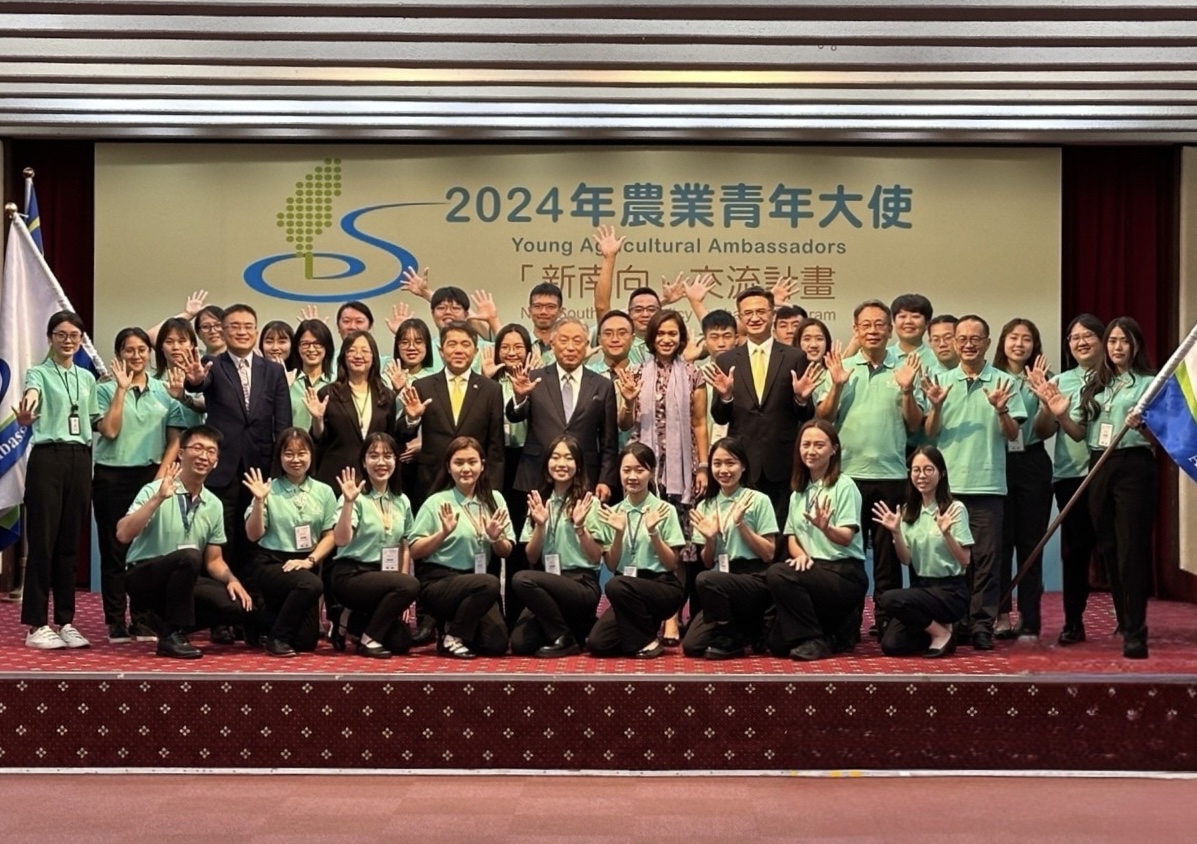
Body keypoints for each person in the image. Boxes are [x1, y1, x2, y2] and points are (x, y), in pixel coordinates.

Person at [1034, 317, 1157, 659]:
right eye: (1114, 341)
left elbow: (1161, 436)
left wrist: (1143, 426)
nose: (1118, 347)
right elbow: (1078, 434)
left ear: (1134, 345)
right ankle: (1088, 622)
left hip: (1134, 467)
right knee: (1104, 546)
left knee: (1130, 548)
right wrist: (1059, 413)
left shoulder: (1150, 383)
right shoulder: (1095, 386)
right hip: (1095, 467)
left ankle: (1134, 628)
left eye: (1123, 341)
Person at [816, 301, 923, 639]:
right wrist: (836, 384)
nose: (873, 331)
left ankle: (887, 617)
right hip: (847, 477)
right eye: (866, 325)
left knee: (888, 558)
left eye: (880, 325)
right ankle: (845, 618)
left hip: (891, 476)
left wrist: (907, 389)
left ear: (890, 330)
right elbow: (822, 419)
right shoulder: (841, 368)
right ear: (856, 330)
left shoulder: (906, 368)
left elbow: (916, 424)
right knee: (844, 554)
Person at [922, 314, 1026, 651]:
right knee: (951, 560)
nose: (968, 344)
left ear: (987, 342)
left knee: (986, 560)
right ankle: (957, 622)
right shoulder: (939, 378)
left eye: (975, 338)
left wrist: (1000, 410)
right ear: (953, 342)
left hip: (987, 486)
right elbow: (929, 432)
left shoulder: (1003, 381)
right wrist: (936, 406)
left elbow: (1013, 435)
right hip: (948, 490)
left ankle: (983, 624)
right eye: (961, 338)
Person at [117, 425, 252, 659]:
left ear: (217, 462)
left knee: (237, 605)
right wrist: (157, 499)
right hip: (144, 576)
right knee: (189, 556)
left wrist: (232, 579)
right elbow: (123, 534)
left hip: (183, 582)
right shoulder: (155, 489)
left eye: (211, 452)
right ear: (181, 453)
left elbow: (214, 560)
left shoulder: (214, 504)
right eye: (197, 448)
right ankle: (171, 635)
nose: (203, 456)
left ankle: (165, 623)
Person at [181, 303, 292, 585]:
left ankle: (252, 610)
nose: (242, 332)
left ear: (255, 330)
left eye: (247, 326)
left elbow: (283, 423)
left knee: (255, 540)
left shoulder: (273, 370)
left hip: (260, 469)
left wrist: (278, 469)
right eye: (235, 326)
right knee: (222, 538)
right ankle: (223, 616)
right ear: (223, 331)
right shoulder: (212, 365)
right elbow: (197, 384)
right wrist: (193, 381)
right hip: (222, 468)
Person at [94, 327, 187, 644]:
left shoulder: (164, 389)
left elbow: (175, 438)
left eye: (142, 350)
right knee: (114, 549)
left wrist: (162, 474)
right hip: (112, 475)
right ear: (119, 354)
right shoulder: (105, 389)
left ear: (150, 353)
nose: (136, 355)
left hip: (151, 477)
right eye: (128, 350)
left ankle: (143, 619)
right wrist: (120, 390)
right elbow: (109, 430)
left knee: (148, 552)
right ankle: (116, 620)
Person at [16, 311, 101, 650]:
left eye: (74, 335)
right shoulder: (37, 372)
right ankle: (36, 624)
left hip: (80, 458)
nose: (69, 341)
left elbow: (93, 419)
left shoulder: (87, 378)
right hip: (48, 457)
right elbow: (32, 395)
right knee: (43, 541)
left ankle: (65, 621)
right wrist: (27, 413)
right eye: (62, 334)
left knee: (69, 543)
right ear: (50, 337)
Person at [706, 287, 819, 534]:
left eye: (760, 311)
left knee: (779, 531)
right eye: (748, 313)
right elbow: (719, 416)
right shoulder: (726, 360)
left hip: (781, 461)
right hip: (742, 462)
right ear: (740, 317)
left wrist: (801, 399)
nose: (754, 318)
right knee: (743, 530)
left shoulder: (794, 357)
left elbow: (805, 415)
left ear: (772, 314)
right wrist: (725, 397)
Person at [1029, 314, 1105, 645]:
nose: (1081, 342)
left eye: (1088, 335)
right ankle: (1074, 621)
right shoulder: (1060, 380)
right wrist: (1047, 405)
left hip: (1109, 476)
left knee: (1117, 548)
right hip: (1070, 477)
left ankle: (1129, 619)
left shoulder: (1116, 378)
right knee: (1077, 550)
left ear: (1104, 341)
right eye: (1074, 338)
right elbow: (1042, 431)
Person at [766, 420, 868, 661]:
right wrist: (800, 555)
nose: (811, 451)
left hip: (843, 571)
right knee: (777, 644)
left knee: (777, 573)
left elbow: (845, 538)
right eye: (806, 445)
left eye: (819, 445)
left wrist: (826, 528)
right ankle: (835, 630)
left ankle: (815, 639)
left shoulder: (844, 485)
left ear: (834, 449)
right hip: (813, 569)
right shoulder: (798, 491)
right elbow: (791, 536)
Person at [409, 436, 514, 658]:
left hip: (477, 586)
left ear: (482, 465)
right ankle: (452, 637)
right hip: (440, 582)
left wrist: (495, 538)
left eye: (472, 462)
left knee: (496, 645)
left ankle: (451, 624)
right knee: (489, 583)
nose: (466, 468)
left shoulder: (494, 500)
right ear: (448, 467)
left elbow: (506, 551)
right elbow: (415, 550)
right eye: (459, 463)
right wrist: (442, 534)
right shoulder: (437, 501)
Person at [872, 446, 974, 657]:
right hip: (921, 588)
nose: (921, 476)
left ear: (941, 473)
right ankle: (944, 630)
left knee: (890, 598)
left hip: (950, 591)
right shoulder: (909, 511)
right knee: (891, 645)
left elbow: (965, 560)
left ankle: (941, 634)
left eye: (929, 469)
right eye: (916, 470)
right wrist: (896, 533)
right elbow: (906, 559)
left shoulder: (955, 509)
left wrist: (946, 534)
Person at [587, 443, 688, 658]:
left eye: (639, 470)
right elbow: (612, 565)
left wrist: (653, 533)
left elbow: (672, 564)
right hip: (625, 591)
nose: (632, 476)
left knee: (616, 584)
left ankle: (648, 642)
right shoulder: (613, 513)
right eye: (626, 470)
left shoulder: (664, 510)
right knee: (598, 643)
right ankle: (643, 629)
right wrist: (619, 533)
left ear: (651, 472)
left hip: (660, 586)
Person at [682, 438, 779, 659]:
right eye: (717, 464)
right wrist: (710, 539)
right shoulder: (705, 505)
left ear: (743, 466)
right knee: (692, 646)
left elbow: (769, 553)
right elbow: (707, 561)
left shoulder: (757, 500)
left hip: (753, 577)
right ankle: (738, 627)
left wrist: (741, 525)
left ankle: (730, 633)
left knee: (706, 579)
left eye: (730, 463)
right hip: (720, 580)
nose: (723, 470)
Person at [243, 428, 336, 656]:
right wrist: (258, 501)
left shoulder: (324, 491)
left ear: (311, 455)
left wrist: (310, 560)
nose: (296, 459)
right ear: (279, 457)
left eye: (302, 453)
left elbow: (330, 535)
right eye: (289, 454)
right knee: (311, 585)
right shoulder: (268, 489)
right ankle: (276, 639)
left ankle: (254, 621)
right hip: (271, 561)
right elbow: (253, 535)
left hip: (305, 562)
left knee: (306, 641)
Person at [507, 317, 620, 502]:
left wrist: (605, 479)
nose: (570, 347)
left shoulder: (602, 385)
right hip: (537, 473)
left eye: (577, 341)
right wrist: (519, 397)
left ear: (586, 345)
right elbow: (514, 416)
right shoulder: (534, 378)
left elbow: (609, 440)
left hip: (585, 476)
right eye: (564, 340)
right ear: (552, 343)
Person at [328, 433, 421, 658]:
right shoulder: (355, 497)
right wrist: (348, 502)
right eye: (374, 456)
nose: (381, 462)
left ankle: (346, 618)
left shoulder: (402, 500)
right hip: (351, 575)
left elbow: (405, 544)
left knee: (401, 642)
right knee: (410, 585)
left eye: (388, 456)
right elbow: (340, 540)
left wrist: (401, 581)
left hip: (383, 577)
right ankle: (368, 640)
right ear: (363, 461)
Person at [510, 436, 604, 657]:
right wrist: (540, 526)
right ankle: (574, 629)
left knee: (521, 579)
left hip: (581, 583)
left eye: (568, 458)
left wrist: (580, 527)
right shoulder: (539, 501)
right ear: (546, 464)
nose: (561, 464)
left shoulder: (588, 502)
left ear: (578, 465)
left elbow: (595, 557)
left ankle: (563, 637)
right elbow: (532, 556)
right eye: (555, 457)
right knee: (520, 644)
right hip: (549, 582)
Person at [992, 318, 1053, 641]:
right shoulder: (991, 378)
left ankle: (1030, 618)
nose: (1019, 344)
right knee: (999, 544)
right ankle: (1000, 614)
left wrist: (1044, 399)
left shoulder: (1044, 379)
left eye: (1026, 339)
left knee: (1031, 545)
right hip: (997, 463)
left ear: (1035, 345)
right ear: (1002, 342)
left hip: (1032, 461)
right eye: (1013, 337)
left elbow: (1044, 430)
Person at [397, 321, 505, 499]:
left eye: (465, 344)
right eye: (452, 344)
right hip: (431, 482)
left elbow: (496, 449)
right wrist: (412, 419)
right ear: (441, 351)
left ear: (475, 352)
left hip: (475, 483)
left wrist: (491, 491)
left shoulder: (491, 389)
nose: (459, 350)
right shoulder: (423, 386)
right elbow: (400, 434)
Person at [307, 330, 396, 488]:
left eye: (365, 351)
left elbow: (390, 438)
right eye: (352, 351)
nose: (358, 356)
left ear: (374, 357)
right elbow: (318, 439)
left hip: (374, 478)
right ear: (343, 357)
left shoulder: (386, 396)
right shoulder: (328, 393)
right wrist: (317, 419)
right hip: (335, 476)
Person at [154, 317, 205, 427]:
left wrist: (184, 399)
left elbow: (205, 405)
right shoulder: (151, 380)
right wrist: (188, 313)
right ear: (161, 347)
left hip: (192, 441)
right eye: (169, 342)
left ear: (192, 345)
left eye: (182, 341)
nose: (175, 347)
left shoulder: (201, 378)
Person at [289, 319, 335, 432]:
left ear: (327, 347)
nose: (311, 349)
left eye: (317, 344)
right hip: (293, 447)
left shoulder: (336, 383)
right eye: (305, 344)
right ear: (297, 347)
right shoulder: (288, 381)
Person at [890, 293, 938, 371]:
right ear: (894, 322)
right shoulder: (883, 357)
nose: (908, 321)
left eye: (915, 316)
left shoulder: (936, 359)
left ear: (927, 323)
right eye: (902, 316)